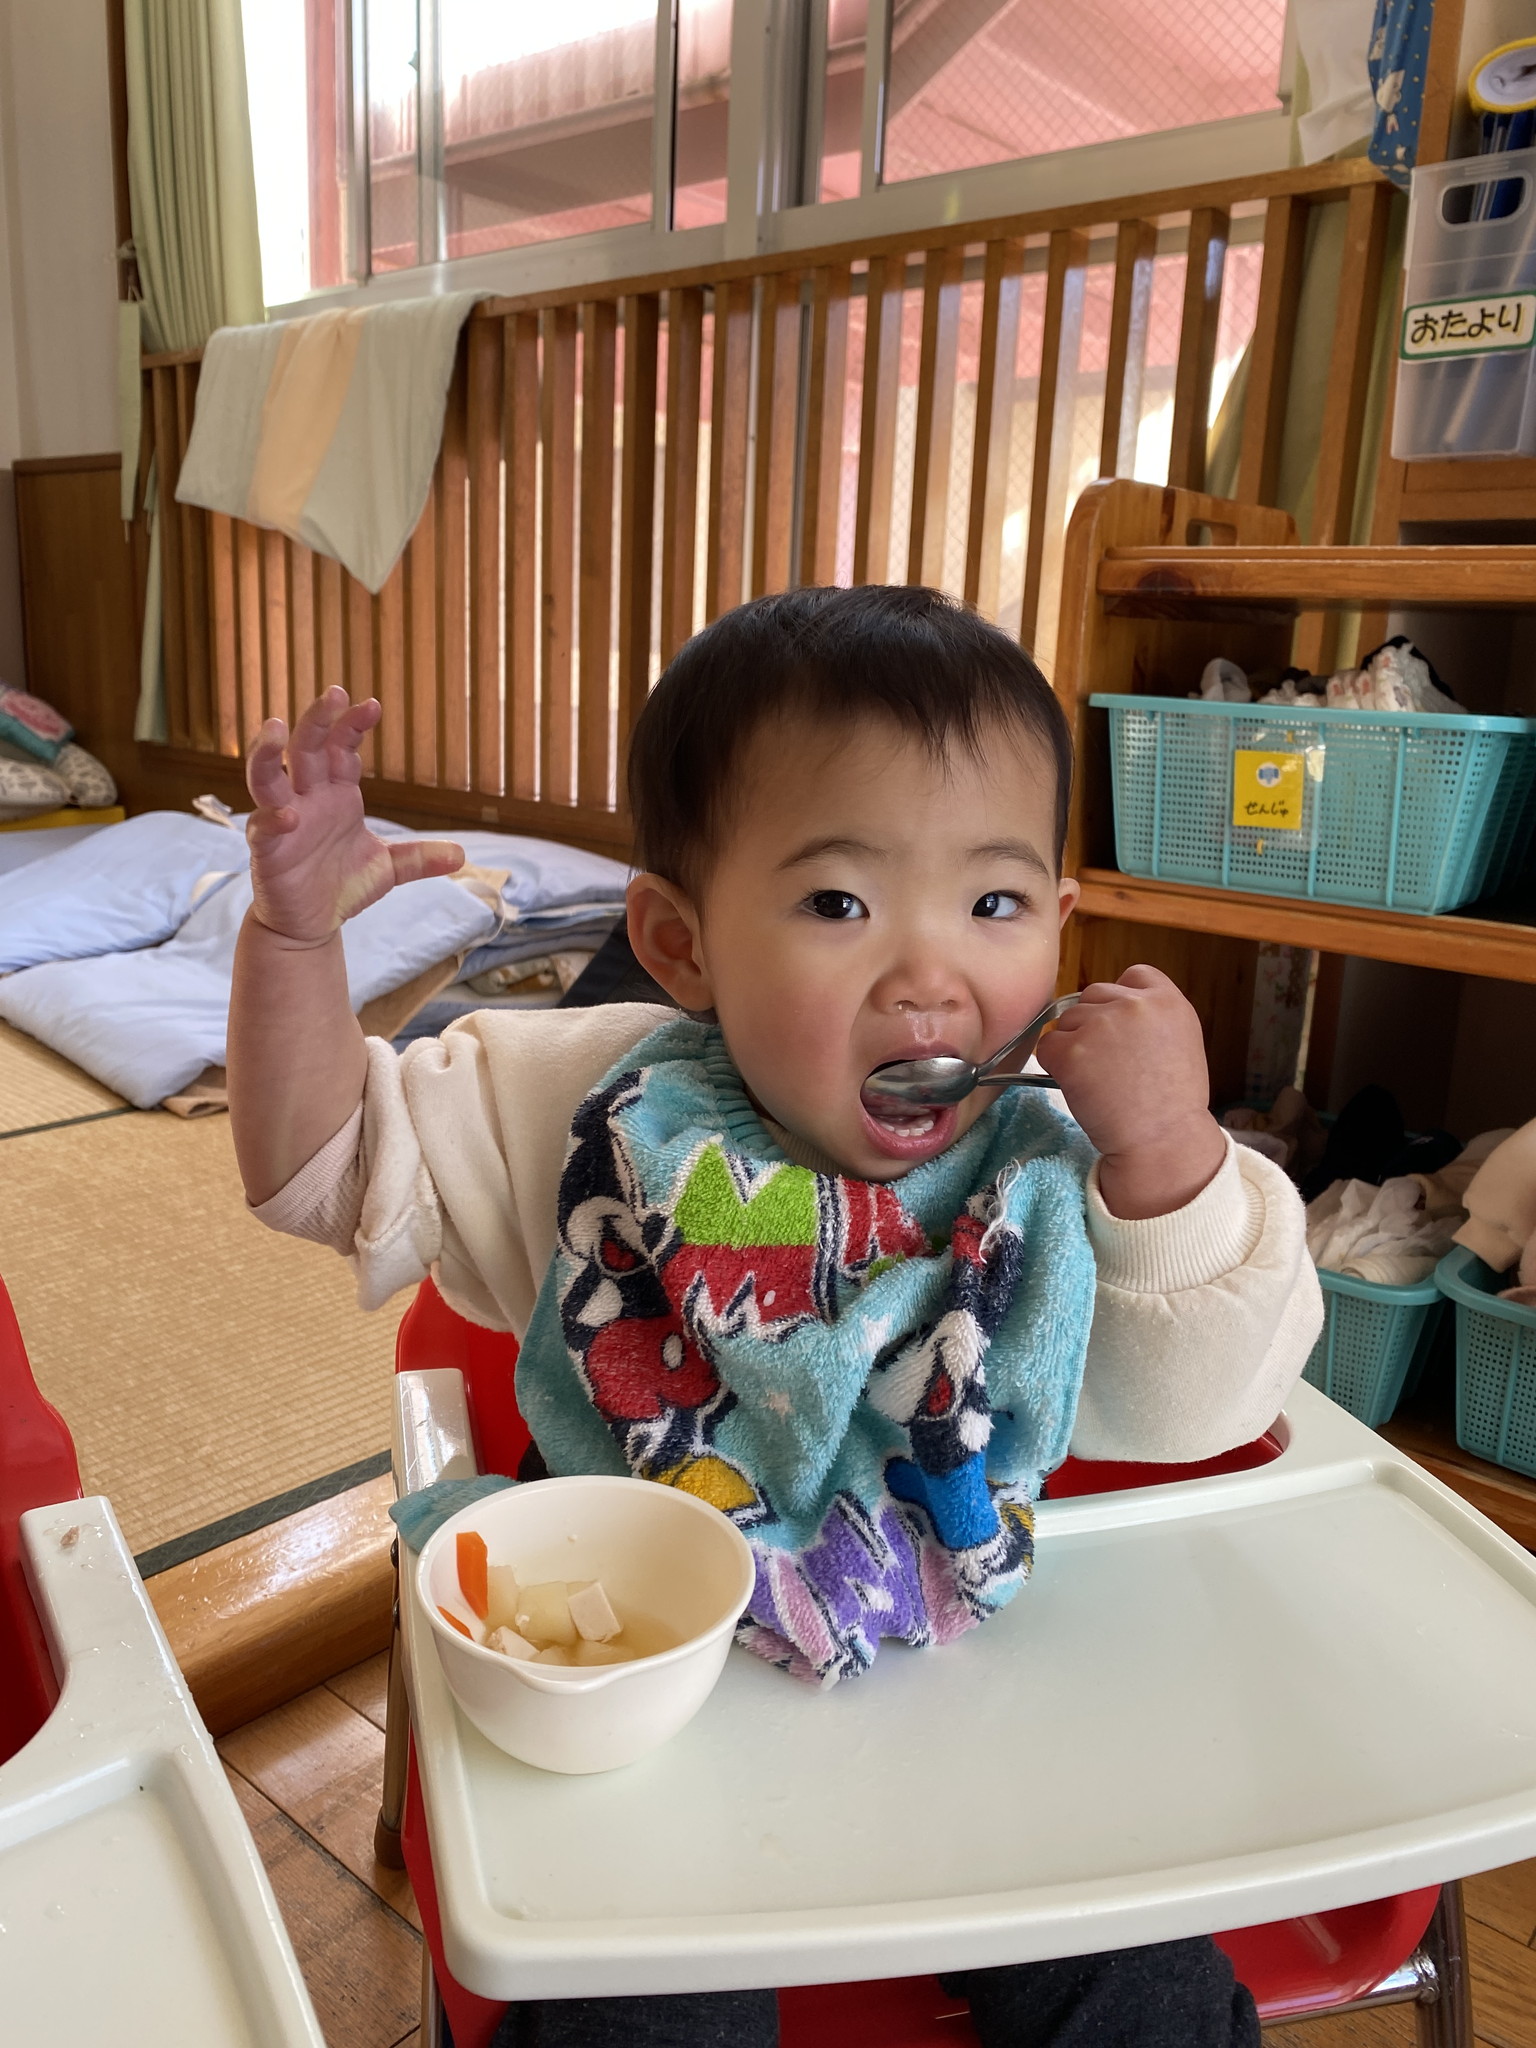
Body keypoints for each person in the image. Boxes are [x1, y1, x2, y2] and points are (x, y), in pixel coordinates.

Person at [229, 584, 1321, 2047]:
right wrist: (295, 943)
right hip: (640, 1698)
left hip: (971, 1672)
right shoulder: (582, 1103)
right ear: (681, 943)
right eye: (837, 904)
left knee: (1143, 1990)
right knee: (645, 2021)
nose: (931, 977)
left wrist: (1175, 1154)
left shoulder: (1064, 1168)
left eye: (994, 905)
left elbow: (1211, 1407)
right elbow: (316, 1169)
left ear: (1061, 928)